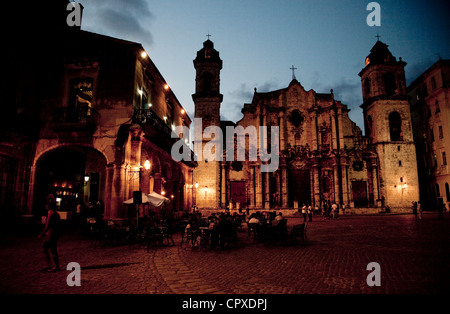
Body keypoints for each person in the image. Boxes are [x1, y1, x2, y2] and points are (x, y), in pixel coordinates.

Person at [38, 194, 61, 272]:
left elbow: (47, 226)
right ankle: (52, 265)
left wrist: (41, 234)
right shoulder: (55, 214)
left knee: (50, 250)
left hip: (51, 235)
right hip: (53, 234)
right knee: (49, 249)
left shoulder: (51, 214)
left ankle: (54, 266)